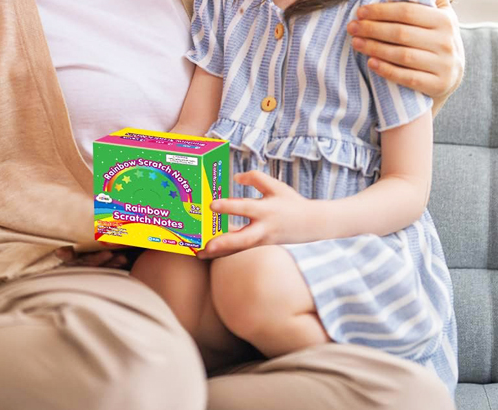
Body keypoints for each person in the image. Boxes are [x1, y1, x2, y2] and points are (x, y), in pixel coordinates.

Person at [0, 0, 464, 409]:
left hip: (204, 284)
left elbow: (327, 99)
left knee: (409, 398)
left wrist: (438, 61)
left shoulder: (218, 5)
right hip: (53, 281)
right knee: (136, 364)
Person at [132, 0, 458, 395]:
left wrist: (305, 221)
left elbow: (408, 187)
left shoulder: (383, 13)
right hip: (237, 241)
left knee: (252, 280)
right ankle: (250, 380)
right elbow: (190, 132)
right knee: (158, 276)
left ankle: (378, 389)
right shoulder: (225, 7)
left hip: (350, 243)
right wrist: (136, 206)